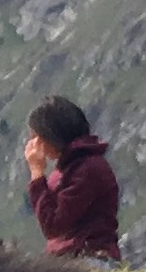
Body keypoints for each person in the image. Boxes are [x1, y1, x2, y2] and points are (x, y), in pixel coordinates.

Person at [23, 97, 121, 262]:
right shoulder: (70, 167)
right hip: (67, 257)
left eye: (37, 137)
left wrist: (37, 174)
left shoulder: (88, 169)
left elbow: (53, 225)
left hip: (91, 255)